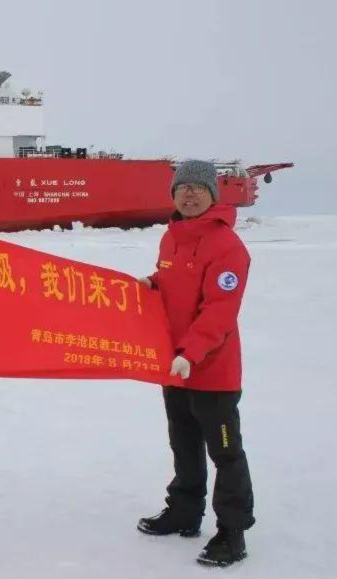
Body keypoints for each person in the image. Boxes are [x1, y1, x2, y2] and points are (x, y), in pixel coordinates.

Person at [137, 160, 254, 567]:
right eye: (182, 187)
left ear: (213, 196)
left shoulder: (227, 247)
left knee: (225, 451)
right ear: (173, 195)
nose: (189, 193)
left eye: (198, 188)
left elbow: (219, 311)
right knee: (183, 444)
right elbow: (173, 281)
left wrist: (190, 354)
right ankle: (185, 511)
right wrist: (154, 283)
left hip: (211, 371)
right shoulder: (172, 238)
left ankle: (232, 531)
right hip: (174, 367)